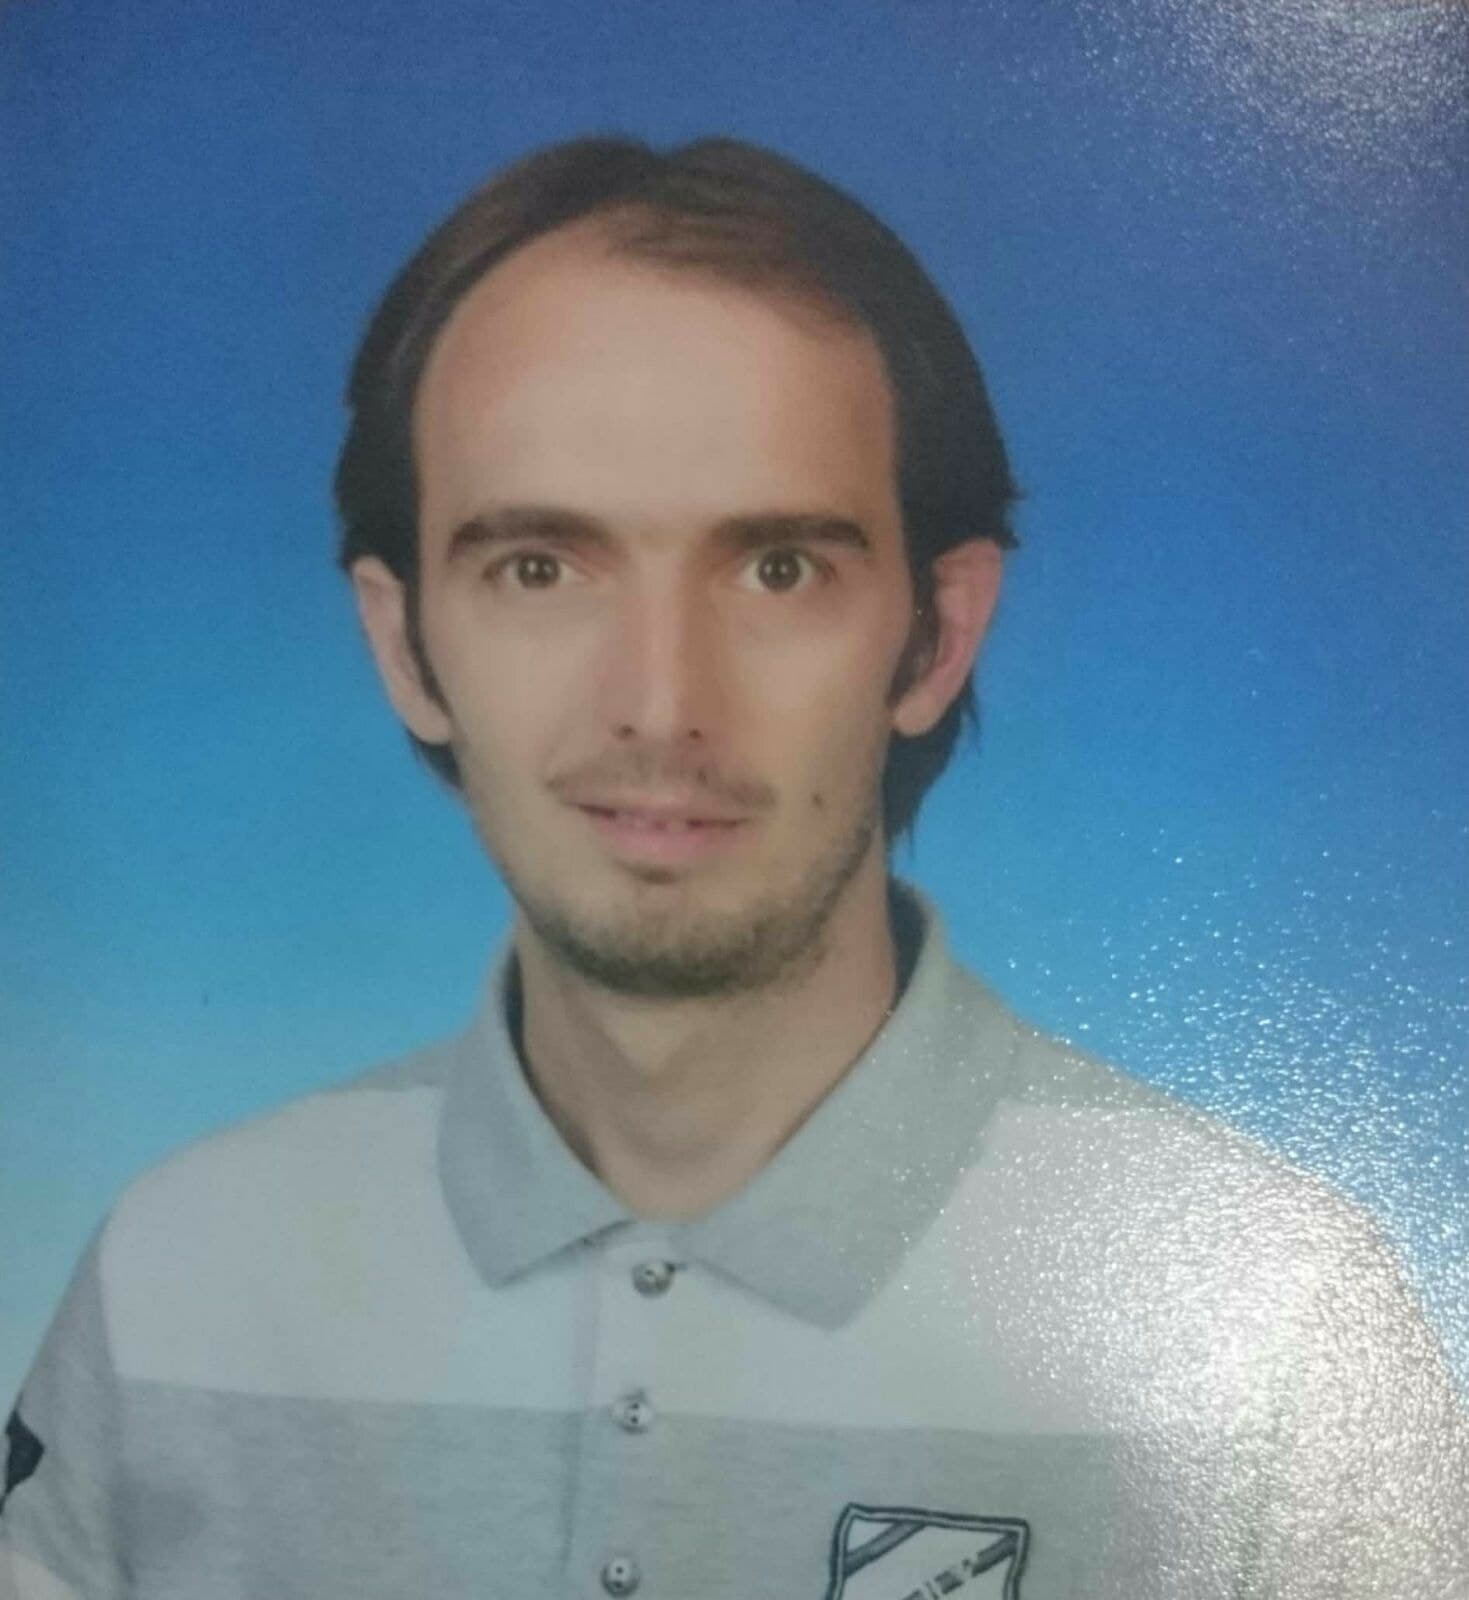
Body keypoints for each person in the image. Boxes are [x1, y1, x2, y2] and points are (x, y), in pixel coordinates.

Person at [3, 137, 1464, 1600]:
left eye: (777, 569)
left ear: (936, 636)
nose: (659, 704)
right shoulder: (174, 1282)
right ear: (404, 645)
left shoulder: (1284, 1339)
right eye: (538, 567)